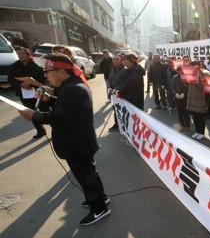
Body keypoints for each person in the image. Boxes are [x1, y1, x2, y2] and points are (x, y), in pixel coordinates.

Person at [18, 53, 110, 226]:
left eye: (47, 71)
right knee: (89, 174)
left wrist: (34, 115)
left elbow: (60, 118)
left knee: (86, 176)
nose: (45, 75)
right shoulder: (71, 86)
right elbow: (67, 108)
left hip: (77, 143)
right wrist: (49, 100)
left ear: (61, 71)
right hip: (79, 141)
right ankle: (100, 197)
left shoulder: (72, 88)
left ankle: (99, 208)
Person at [8, 47, 48, 138]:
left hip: (38, 92)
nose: (20, 56)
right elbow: (10, 78)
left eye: (22, 54)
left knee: (45, 111)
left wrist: (30, 83)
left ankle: (57, 130)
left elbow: (44, 77)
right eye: (18, 54)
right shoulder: (14, 66)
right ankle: (40, 131)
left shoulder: (36, 64)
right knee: (31, 113)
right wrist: (20, 84)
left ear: (28, 54)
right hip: (24, 94)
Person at [186, 61, 207, 140]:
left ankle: (202, 132)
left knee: (200, 117)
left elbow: (202, 86)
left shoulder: (201, 74)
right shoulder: (190, 74)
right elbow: (187, 85)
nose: (190, 68)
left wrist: (198, 77)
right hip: (192, 100)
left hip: (199, 100)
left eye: (192, 66)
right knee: (195, 116)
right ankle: (197, 131)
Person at [107, 54, 126, 131]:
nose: (114, 61)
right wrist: (109, 88)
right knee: (115, 108)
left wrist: (116, 89)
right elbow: (110, 80)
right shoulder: (112, 69)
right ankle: (117, 124)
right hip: (114, 94)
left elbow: (124, 82)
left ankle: (124, 124)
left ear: (121, 61)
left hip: (120, 93)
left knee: (122, 109)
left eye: (117, 60)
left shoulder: (124, 70)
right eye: (113, 60)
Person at [171, 65, 190, 131]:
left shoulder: (186, 77)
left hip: (184, 97)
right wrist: (175, 93)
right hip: (177, 97)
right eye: (178, 70)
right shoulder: (174, 77)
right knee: (179, 112)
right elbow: (172, 86)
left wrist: (184, 93)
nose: (179, 72)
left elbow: (188, 87)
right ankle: (182, 125)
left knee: (185, 112)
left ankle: (187, 125)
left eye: (180, 70)